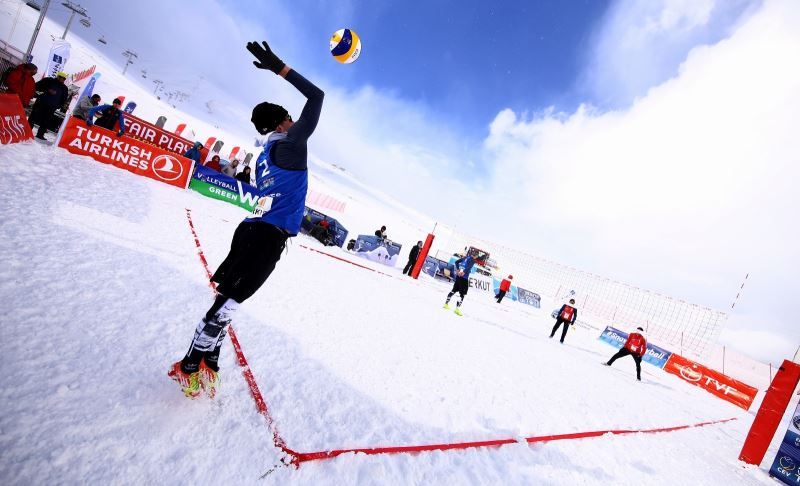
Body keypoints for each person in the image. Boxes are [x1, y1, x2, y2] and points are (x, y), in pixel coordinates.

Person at [168, 39, 324, 398]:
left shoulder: (263, 155)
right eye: (289, 117)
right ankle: (190, 364)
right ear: (281, 122)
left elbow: (274, 196)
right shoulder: (289, 144)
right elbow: (317, 98)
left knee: (231, 299)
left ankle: (210, 360)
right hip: (264, 236)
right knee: (229, 303)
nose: (293, 120)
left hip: (254, 231)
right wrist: (281, 69)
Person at [28, 71, 69, 140]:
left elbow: (64, 98)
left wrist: (59, 105)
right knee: (33, 117)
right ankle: (27, 130)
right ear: (58, 76)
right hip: (40, 103)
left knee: (46, 121)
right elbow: (37, 86)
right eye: (61, 77)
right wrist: (47, 90)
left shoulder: (64, 88)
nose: (62, 79)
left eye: (64, 78)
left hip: (52, 107)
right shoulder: (48, 80)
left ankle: (40, 134)